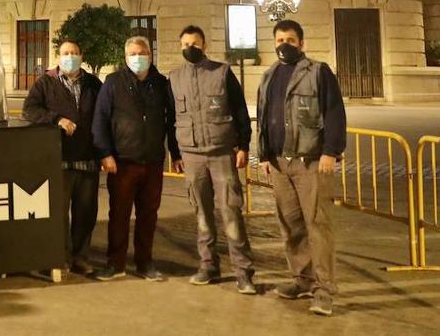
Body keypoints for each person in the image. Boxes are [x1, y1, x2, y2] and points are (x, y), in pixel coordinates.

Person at [257, 19, 347, 317]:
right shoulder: (269, 75)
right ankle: (302, 279)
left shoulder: (318, 72)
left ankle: (324, 290)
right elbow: (264, 116)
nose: (285, 44)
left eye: (291, 39)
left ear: (302, 43)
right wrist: (265, 155)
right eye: (280, 39)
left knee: (317, 225)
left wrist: (331, 151)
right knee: (291, 224)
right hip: (280, 162)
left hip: (311, 161)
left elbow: (334, 111)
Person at [168, 25, 255, 293]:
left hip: (221, 153)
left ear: (204, 45)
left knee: (231, 212)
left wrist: (243, 146)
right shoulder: (174, 77)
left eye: (194, 44)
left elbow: (240, 109)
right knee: (202, 214)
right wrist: (174, 153)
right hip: (192, 155)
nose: (189, 48)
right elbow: (171, 118)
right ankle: (208, 265)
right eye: (184, 44)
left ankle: (243, 272)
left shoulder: (223, 73)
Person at [91, 35, 181, 281]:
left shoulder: (162, 84)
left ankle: (145, 263)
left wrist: (175, 152)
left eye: (142, 53)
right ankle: (115, 263)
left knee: (148, 215)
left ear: (150, 55)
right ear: (125, 57)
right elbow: (100, 119)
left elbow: (171, 120)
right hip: (122, 162)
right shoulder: (113, 83)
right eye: (133, 54)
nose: (138, 58)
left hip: (152, 162)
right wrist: (105, 153)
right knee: (118, 214)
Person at [22, 39, 102, 274]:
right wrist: (56, 119)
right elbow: (30, 109)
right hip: (60, 159)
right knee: (58, 213)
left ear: (81, 56)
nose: (71, 56)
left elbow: (104, 115)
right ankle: (60, 258)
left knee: (85, 213)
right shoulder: (45, 83)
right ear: (58, 56)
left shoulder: (93, 84)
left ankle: (81, 257)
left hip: (88, 159)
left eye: (75, 53)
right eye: (66, 53)